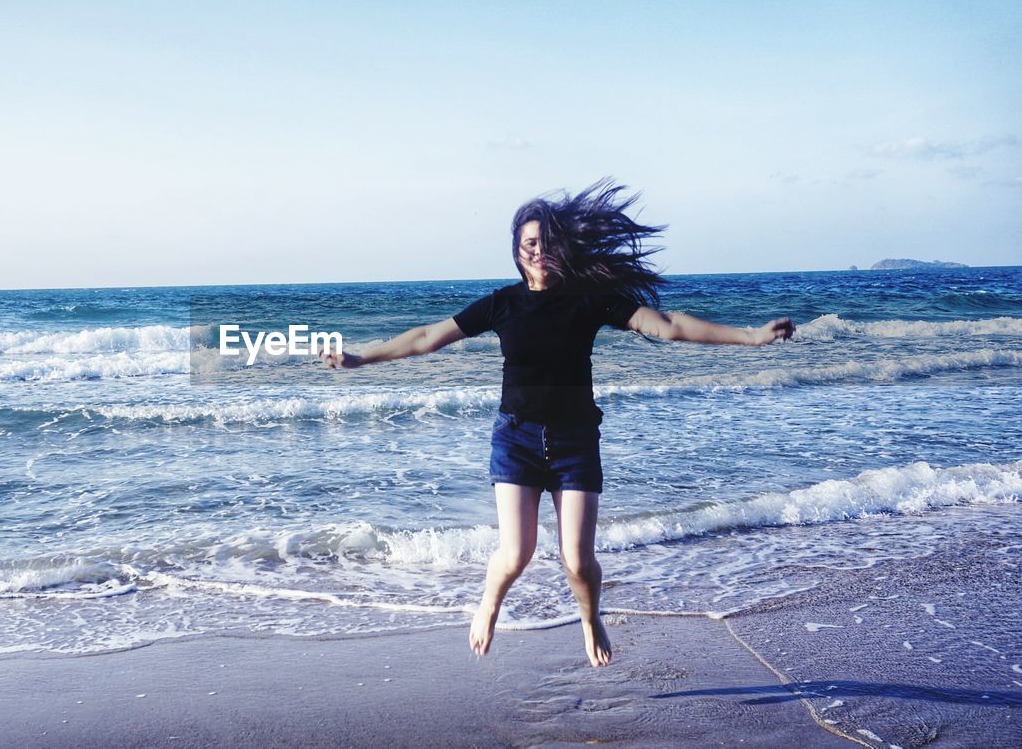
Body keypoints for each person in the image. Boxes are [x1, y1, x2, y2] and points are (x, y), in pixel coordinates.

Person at [320, 180, 794, 668]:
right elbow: (426, 337)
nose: (539, 253)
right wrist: (359, 359)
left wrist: (751, 337)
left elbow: (668, 324)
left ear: (560, 248)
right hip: (516, 438)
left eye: (546, 244)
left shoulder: (588, 300)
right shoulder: (502, 304)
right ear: (517, 252)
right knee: (516, 554)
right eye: (530, 245)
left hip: (574, 442)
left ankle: (590, 617)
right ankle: (489, 601)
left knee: (578, 561)